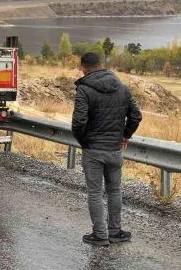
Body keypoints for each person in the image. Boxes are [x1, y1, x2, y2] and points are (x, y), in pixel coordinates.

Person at [72, 52, 142, 246]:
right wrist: (125, 136)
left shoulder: (84, 90)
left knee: (95, 193)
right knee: (114, 191)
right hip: (114, 149)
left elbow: (78, 122)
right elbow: (136, 116)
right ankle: (115, 231)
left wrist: (85, 141)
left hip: (93, 149)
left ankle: (100, 234)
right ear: (101, 65)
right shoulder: (123, 88)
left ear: (83, 68)